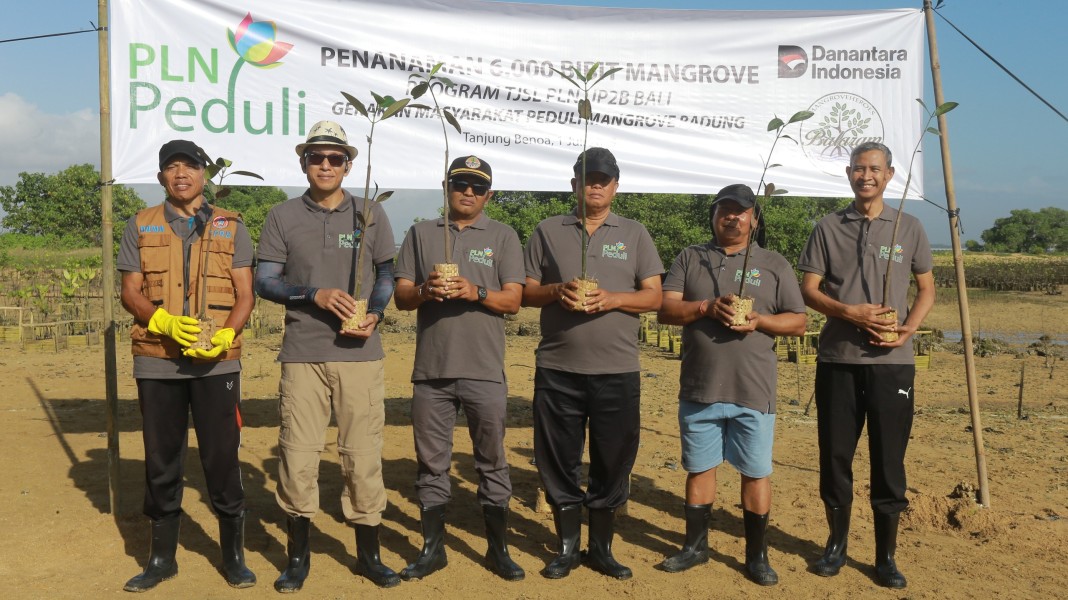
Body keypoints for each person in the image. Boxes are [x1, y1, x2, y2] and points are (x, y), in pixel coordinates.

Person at [254, 120, 400, 590]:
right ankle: (298, 557)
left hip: (360, 354)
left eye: (335, 158)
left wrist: (376, 312)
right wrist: (312, 294)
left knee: (362, 455)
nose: (325, 165)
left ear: (348, 166)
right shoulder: (282, 216)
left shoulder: (370, 213)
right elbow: (265, 281)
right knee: (297, 455)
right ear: (304, 162)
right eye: (316, 157)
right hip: (303, 354)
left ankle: (369, 555)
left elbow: (386, 273)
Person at [117, 139, 257, 592]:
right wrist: (160, 321)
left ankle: (233, 556)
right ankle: (161, 558)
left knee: (222, 456)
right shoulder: (140, 224)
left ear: (205, 174)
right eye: (172, 166)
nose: (181, 173)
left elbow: (246, 294)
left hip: (217, 364)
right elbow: (130, 290)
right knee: (161, 457)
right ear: (161, 176)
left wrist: (227, 334)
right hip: (157, 360)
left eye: (191, 166)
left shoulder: (230, 225)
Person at [797, 141, 935, 589]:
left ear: (889, 175)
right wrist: (849, 312)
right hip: (838, 359)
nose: (866, 176)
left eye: (874, 169)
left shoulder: (909, 226)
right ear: (848, 173)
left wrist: (908, 330)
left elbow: (926, 289)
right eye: (859, 169)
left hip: (892, 364)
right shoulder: (828, 227)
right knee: (835, 455)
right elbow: (809, 290)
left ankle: (885, 556)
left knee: (889, 459)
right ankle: (835, 545)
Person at [522, 147, 663, 580]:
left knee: (613, 459)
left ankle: (601, 548)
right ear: (574, 185)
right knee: (557, 459)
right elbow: (526, 292)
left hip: (617, 370)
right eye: (587, 178)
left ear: (615, 187)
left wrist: (614, 299)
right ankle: (567, 547)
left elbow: (654, 296)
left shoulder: (635, 233)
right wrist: (557, 290)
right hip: (559, 368)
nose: (595, 185)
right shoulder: (548, 230)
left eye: (603, 179)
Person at [656, 184, 806, 585]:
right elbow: (665, 310)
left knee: (755, 472)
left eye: (741, 211)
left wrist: (760, 321)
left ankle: (756, 555)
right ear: (713, 216)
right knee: (699, 468)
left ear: (754, 219)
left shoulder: (773, 263)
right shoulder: (691, 257)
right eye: (725, 210)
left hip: (752, 389)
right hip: (700, 386)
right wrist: (705, 307)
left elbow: (798, 321)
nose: (732, 217)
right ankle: (695, 547)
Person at [393, 155, 526, 581]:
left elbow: (513, 301)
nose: (468, 192)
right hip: (432, 371)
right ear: (446, 187)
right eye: (460, 184)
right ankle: (432, 550)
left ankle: (498, 550)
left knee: (492, 459)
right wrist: (424, 290)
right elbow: (401, 297)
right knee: (431, 462)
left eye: (477, 186)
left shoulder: (503, 236)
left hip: (484, 369)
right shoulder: (421, 233)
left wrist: (476, 291)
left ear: (489, 194)